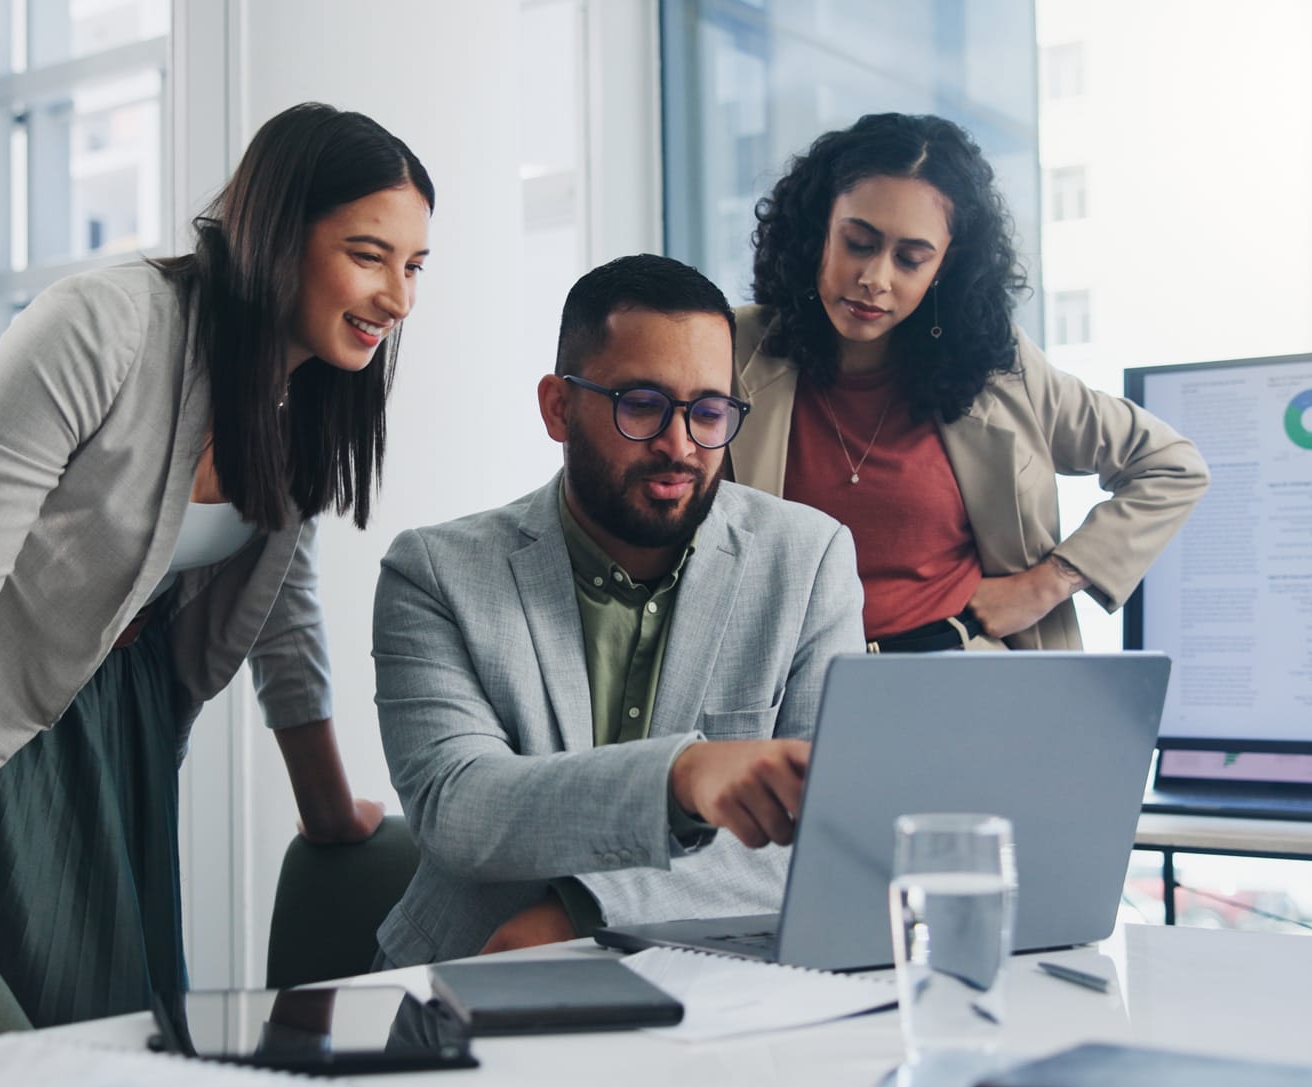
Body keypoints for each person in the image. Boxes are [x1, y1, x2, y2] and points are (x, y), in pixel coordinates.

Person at [0, 103, 433, 1027]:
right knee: (3, 1046)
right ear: (273, 236)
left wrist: (328, 810)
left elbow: (278, 612)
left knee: (117, 1039)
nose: (398, 300)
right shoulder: (106, 325)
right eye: (368, 256)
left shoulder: (305, 396)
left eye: (414, 267)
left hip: (115, 727)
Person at [370, 254, 865, 967]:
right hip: (464, 975)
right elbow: (460, 810)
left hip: (719, 985)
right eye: (641, 404)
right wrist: (682, 777)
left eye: (708, 411)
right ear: (558, 407)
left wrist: (582, 910)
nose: (680, 445)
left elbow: (827, 831)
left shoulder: (808, 559)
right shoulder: (436, 573)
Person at [730, 112, 1207, 653]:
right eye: (859, 243)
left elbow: (1171, 466)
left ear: (945, 268)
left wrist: (1048, 583)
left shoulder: (998, 368)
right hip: (788, 688)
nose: (875, 279)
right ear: (818, 229)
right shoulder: (729, 350)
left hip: (966, 678)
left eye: (911, 259)